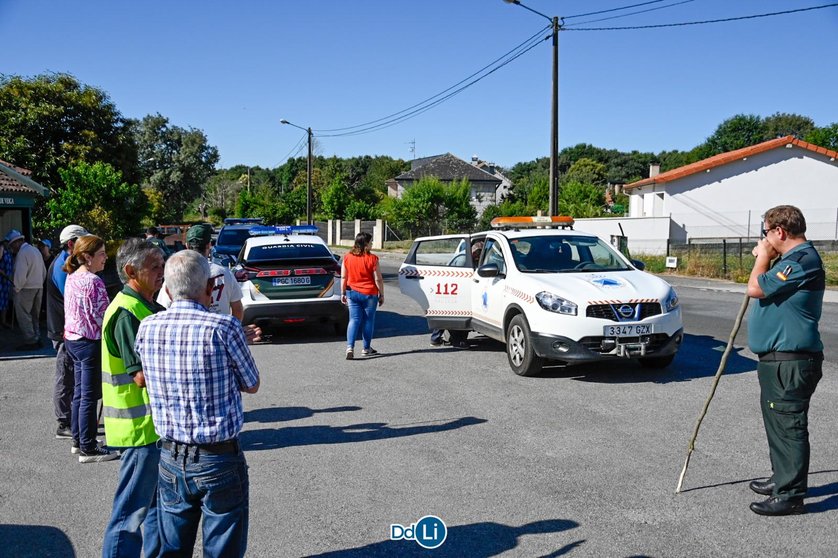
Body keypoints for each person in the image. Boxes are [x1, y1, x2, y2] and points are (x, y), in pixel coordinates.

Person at [135, 250, 260, 557]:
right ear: (208, 288)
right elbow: (252, 383)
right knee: (222, 546)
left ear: (166, 289)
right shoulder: (224, 328)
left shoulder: (147, 327)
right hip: (219, 457)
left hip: (171, 455)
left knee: (173, 547)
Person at [746, 205, 824, 516]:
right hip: (777, 360)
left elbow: (755, 288)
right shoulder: (791, 260)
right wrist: (766, 257)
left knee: (789, 425)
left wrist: (762, 257)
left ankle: (790, 495)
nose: (764, 238)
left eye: (766, 232)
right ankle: (781, 477)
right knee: (777, 423)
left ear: (779, 232)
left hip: (791, 361)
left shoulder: (802, 261)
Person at [101, 238, 166, 558]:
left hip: (151, 428)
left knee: (156, 510)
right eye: (154, 267)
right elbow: (140, 375)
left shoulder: (146, 306)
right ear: (130, 271)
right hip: (138, 429)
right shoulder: (127, 312)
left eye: (162, 265)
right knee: (130, 515)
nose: (162, 272)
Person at [63, 234, 118, 462]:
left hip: (73, 339)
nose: (105, 258)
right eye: (101, 254)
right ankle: (88, 446)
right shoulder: (93, 281)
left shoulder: (72, 277)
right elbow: (103, 316)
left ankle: (79, 440)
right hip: (88, 341)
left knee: (79, 393)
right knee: (88, 396)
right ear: (87, 257)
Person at [47, 224, 90, 439]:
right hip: (64, 331)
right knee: (65, 376)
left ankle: (70, 418)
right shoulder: (61, 266)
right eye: (81, 242)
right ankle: (63, 422)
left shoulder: (67, 262)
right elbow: (73, 300)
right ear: (71, 243)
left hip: (67, 329)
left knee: (70, 375)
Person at [157, 224, 244, 320]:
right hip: (219, 330)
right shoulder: (225, 273)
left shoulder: (175, 274)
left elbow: (164, 308)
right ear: (209, 245)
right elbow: (237, 308)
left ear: (187, 245)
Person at [341, 232, 384, 359]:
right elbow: (378, 279)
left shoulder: (347, 257)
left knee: (354, 320)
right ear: (365, 244)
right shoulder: (373, 259)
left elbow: (344, 276)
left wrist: (343, 292)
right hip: (370, 294)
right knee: (368, 321)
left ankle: (350, 347)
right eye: (370, 242)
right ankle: (366, 348)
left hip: (352, 292)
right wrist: (381, 294)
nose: (372, 244)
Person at [5, 229, 47, 350]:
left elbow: (20, 274)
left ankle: (30, 340)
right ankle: (36, 337)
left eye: (12, 245)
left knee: (24, 315)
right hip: (38, 286)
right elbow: (43, 271)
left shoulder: (22, 253)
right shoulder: (34, 250)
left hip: (25, 288)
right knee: (35, 315)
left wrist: (16, 288)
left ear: (17, 242)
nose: (12, 248)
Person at [0, 239, 13, 329]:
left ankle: (3, 321)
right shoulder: (3, 252)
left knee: (4, 302)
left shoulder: (8, 253)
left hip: (6, 281)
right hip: (2, 280)